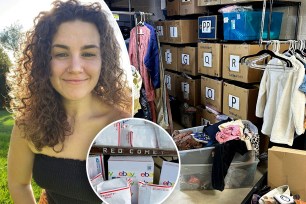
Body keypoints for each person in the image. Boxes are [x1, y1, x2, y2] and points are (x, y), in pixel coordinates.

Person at [7, 0, 132, 203]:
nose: (75, 67)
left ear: (104, 60)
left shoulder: (123, 128)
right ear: (43, 61)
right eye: (61, 53)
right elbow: (18, 184)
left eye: (88, 53)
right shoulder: (28, 124)